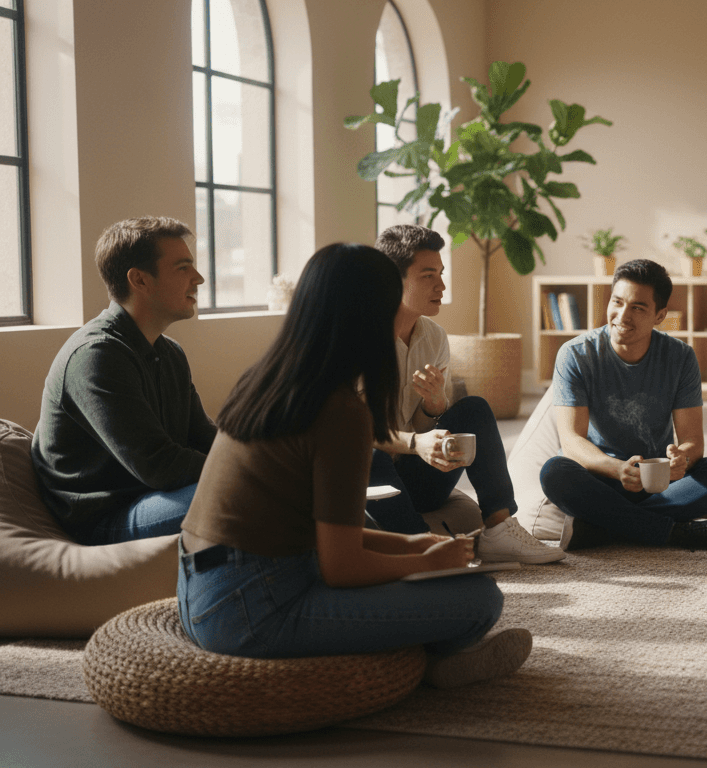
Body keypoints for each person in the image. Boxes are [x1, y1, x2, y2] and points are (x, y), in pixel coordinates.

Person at [177, 243, 530, 686]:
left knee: (381, 533)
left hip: (199, 592)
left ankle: (428, 648)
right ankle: (439, 664)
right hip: (254, 608)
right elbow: (340, 567)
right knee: (480, 599)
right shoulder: (341, 411)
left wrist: (417, 547)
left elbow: (318, 536)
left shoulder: (268, 379)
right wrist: (424, 564)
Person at [364, 224, 561, 564]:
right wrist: (415, 443)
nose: (442, 286)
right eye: (429, 276)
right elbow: (351, 431)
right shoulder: (359, 339)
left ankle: (499, 526)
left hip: (414, 477)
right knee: (368, 454)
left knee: (473, 409)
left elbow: (426, 423)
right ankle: (424, 547)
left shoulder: (434, 337)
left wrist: (434, 404)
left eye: (441, 273)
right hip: (371, 481)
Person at [30, 217, 216, 545]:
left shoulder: (170, 353)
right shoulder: (96, 355)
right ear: (140, 280)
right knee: (239, 492)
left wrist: (258, 457)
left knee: (268, 483)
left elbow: (202, 436)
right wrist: (245, 470)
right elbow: (159, 465)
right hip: (107, 514)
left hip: (150, 495)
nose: (198, 278)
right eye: (183, 267)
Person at [539, 259, 707, 551]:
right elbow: (571, 442)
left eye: (638, 307)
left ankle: (602, 527)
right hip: (601, 479)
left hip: (659, 482)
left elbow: (693, 441)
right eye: (617, 302)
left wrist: (679, 460)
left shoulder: (680, 357)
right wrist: (618, 469)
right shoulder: (575, 355)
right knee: (555, 473)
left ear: (660, 316)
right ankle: (675, 533)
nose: (622, 315)